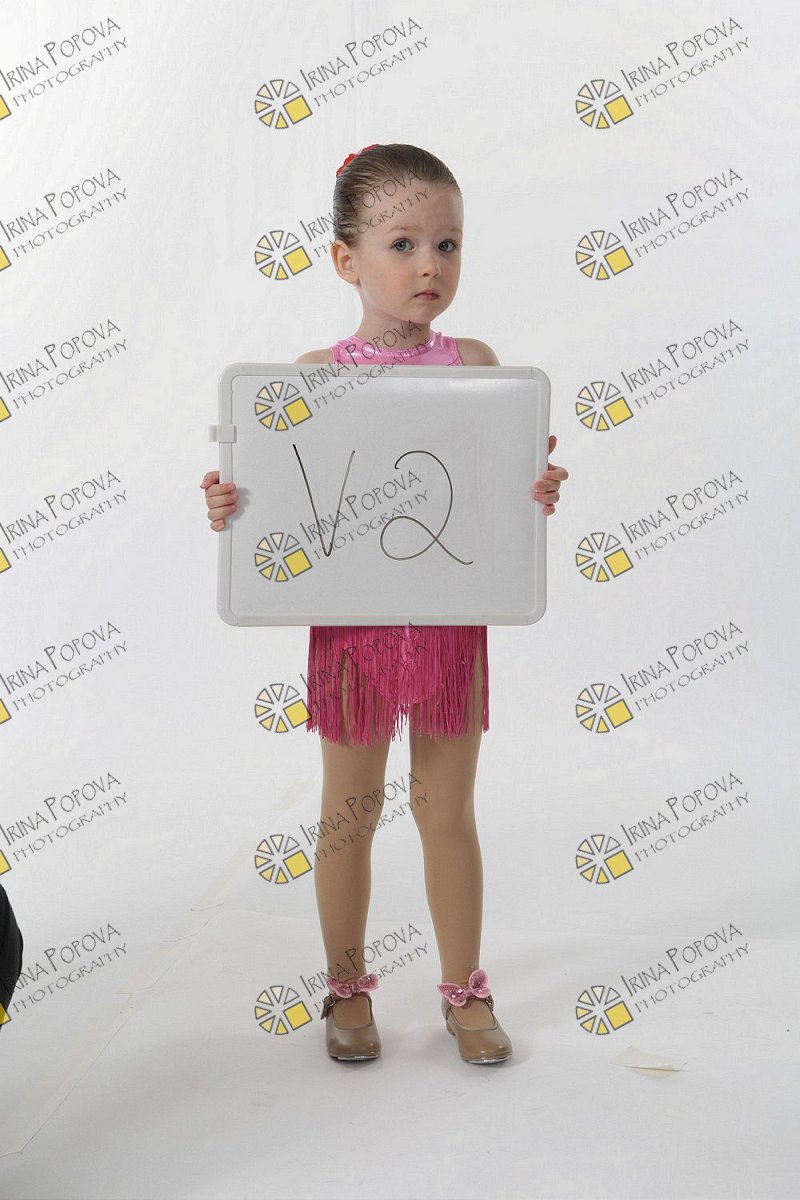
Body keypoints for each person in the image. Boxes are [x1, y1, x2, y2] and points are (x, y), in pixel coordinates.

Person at [200, 143, 568, 1064]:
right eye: (402, 244)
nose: (428, 265)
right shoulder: (311, 375)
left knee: (447, 811)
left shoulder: (477, 364)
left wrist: (535, 489)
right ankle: (346, 987)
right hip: (355, 629)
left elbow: (494, 496)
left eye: (447, 243)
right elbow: (286, 496)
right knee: (349, 813)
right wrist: (235, 502)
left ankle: (464, 990)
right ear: (346, 259)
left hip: (448, 626)